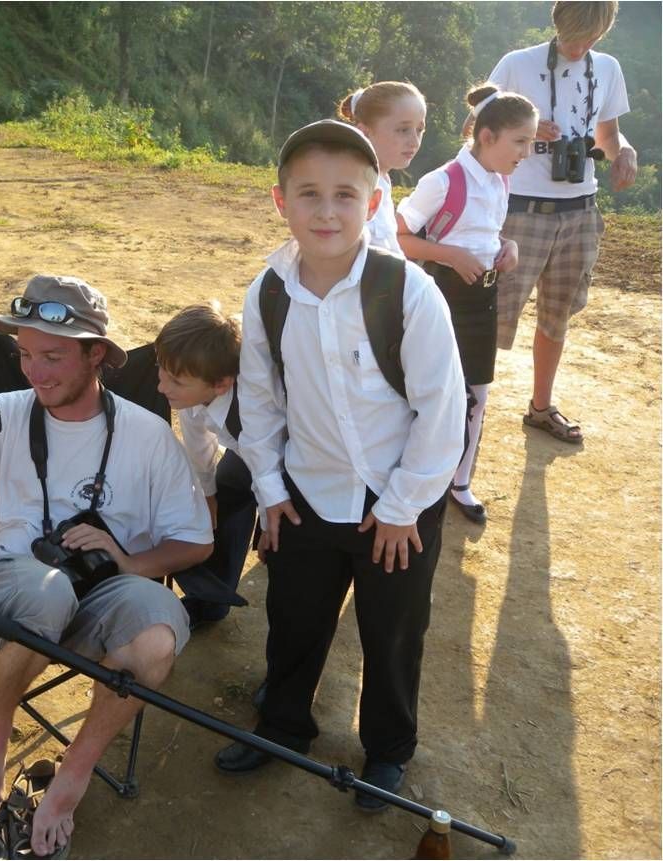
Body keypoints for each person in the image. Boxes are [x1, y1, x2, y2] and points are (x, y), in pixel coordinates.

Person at [0, 274, 212, 858]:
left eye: (52, 355)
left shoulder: (147, 436)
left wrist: (127, 560)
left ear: (97, 354)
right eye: (24, 354)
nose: (35, 372)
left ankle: (71, 778)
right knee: (44, 592)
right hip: (5, 580)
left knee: (157, 633)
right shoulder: (1, 415)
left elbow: (195, 544)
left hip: (100, 590)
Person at [213, 120, 466, 813]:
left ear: (376, 201)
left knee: (391, 634)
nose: (327, 212)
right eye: (310, 194)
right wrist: (268, 487)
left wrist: (399, 505)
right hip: (306, 496)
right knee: (293, 620)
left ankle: (387, 752)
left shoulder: (408, 293)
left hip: (396, 505)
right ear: (280, 201)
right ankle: (282, 725)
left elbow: (441, 414)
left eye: (345, 195)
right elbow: (260, 400)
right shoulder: (267, 291)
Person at [488, 0, 637, 444]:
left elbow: (606, 135)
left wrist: (623, 152)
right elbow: (473, 129)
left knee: (558, 316)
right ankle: (463, 404)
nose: (580, 47)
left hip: (580, 212)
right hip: (520, 209)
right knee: (493, 315)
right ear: (556, 24)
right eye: (574, 38)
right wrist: (527, 131)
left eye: (591, 39)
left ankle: (540, 407)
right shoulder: (517, 65)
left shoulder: (607, 68)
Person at [396, 84, 539, 523]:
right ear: (487, 136)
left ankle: (459, 481)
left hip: (483, 298)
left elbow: (485, 234)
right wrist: (449, 255)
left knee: (477, 392)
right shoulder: (442, 182)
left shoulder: (501, 180)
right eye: (520, 141)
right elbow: (398, 238)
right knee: (425, 390)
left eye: (530, 143)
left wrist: (508, 245)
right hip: (439, 296)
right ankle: (410, 477)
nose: (526, 153)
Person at [154, 302, 253, 627]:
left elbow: (280, 461)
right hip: (244, 451)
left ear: (221, 384)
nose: (161, 387)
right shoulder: (192, 391)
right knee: (224, 492)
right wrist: (207, 495)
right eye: (161, 371)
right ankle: (212, 600)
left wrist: (271, 515)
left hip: (292, 456)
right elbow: (197, 441)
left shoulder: (257, 405)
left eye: (176, 382)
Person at [337, 81, 428, 255]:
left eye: (419, 130)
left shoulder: (382, 180)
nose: (414, 141)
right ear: (364, 133)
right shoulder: (351, 188)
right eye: (403, 130)